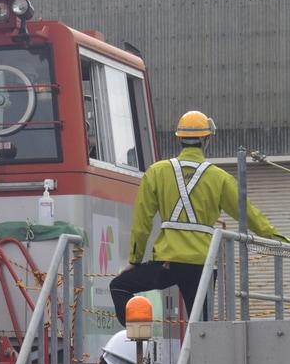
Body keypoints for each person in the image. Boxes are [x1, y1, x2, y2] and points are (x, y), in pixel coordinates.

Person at [110, 111, 289, 325]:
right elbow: (251, 216)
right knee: (202, 328)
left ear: (179, 139)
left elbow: (142, 223)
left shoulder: (156, 172)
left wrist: (135, 260)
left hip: (167, 262)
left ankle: (138, 338)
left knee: (119, 286)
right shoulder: (221, 178)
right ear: (207, 139)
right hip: (203, 264)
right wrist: (283, 244)